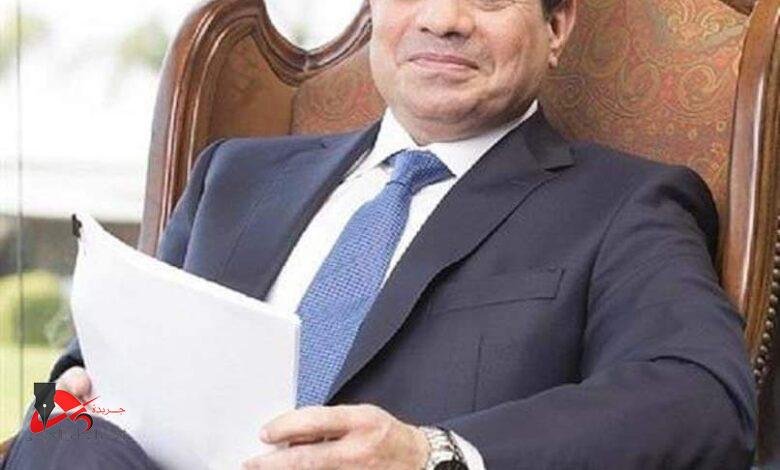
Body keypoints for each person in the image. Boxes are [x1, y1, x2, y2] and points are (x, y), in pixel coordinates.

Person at [3, 0, 757, 468]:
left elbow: (700, 400)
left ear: (555, 27)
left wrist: (431, 455)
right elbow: (84, 370)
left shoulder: (624, 202)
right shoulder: (233, 176)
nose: (443, 18)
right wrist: (58, 407)